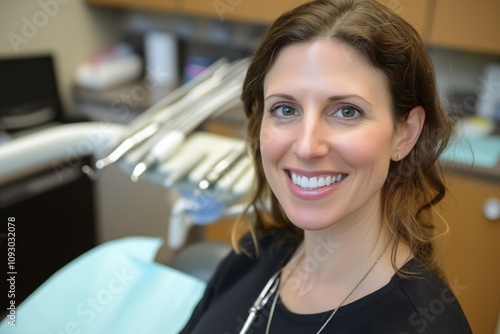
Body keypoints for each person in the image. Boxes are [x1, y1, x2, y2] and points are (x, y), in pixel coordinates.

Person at [179, 0, 472, 333]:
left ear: (404, 134)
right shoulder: (253, 257)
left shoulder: (427, 323)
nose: (306, 147)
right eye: (285, 109)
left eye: (347, 111)